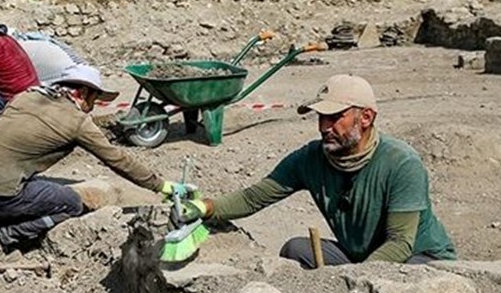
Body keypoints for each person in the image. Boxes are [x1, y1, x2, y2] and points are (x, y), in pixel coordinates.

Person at [178, 74, 456, 268]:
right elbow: (253, 198)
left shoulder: (401, 163)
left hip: (418, 259)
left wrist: (355, 282)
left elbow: (399, 244)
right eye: (321, 117)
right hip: (360, 257)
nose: (324, 127)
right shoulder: (311, 158)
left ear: (366, 117)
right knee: (296, 250)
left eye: (335, 117)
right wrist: (204, 207)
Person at [0, 63, 191, 262]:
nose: (92, 107)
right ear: (83, 93)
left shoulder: (26, 97)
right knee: (70, 204)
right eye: (94, 99)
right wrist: (161, 186)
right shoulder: (77, 121)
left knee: (27, 185)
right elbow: (117, 159)